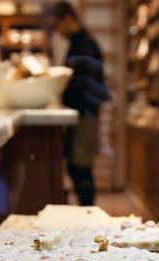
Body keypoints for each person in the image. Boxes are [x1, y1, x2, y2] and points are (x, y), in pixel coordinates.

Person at [52, 1, 109, 206]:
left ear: (67, 19)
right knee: (77, 167)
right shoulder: (78, 43)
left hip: (85, 115)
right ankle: (85, 211)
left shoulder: (85, 45)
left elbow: (88, 87)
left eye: (57, 25)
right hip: (81, 115)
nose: (57, 31)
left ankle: (88, 213)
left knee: (81, 168)